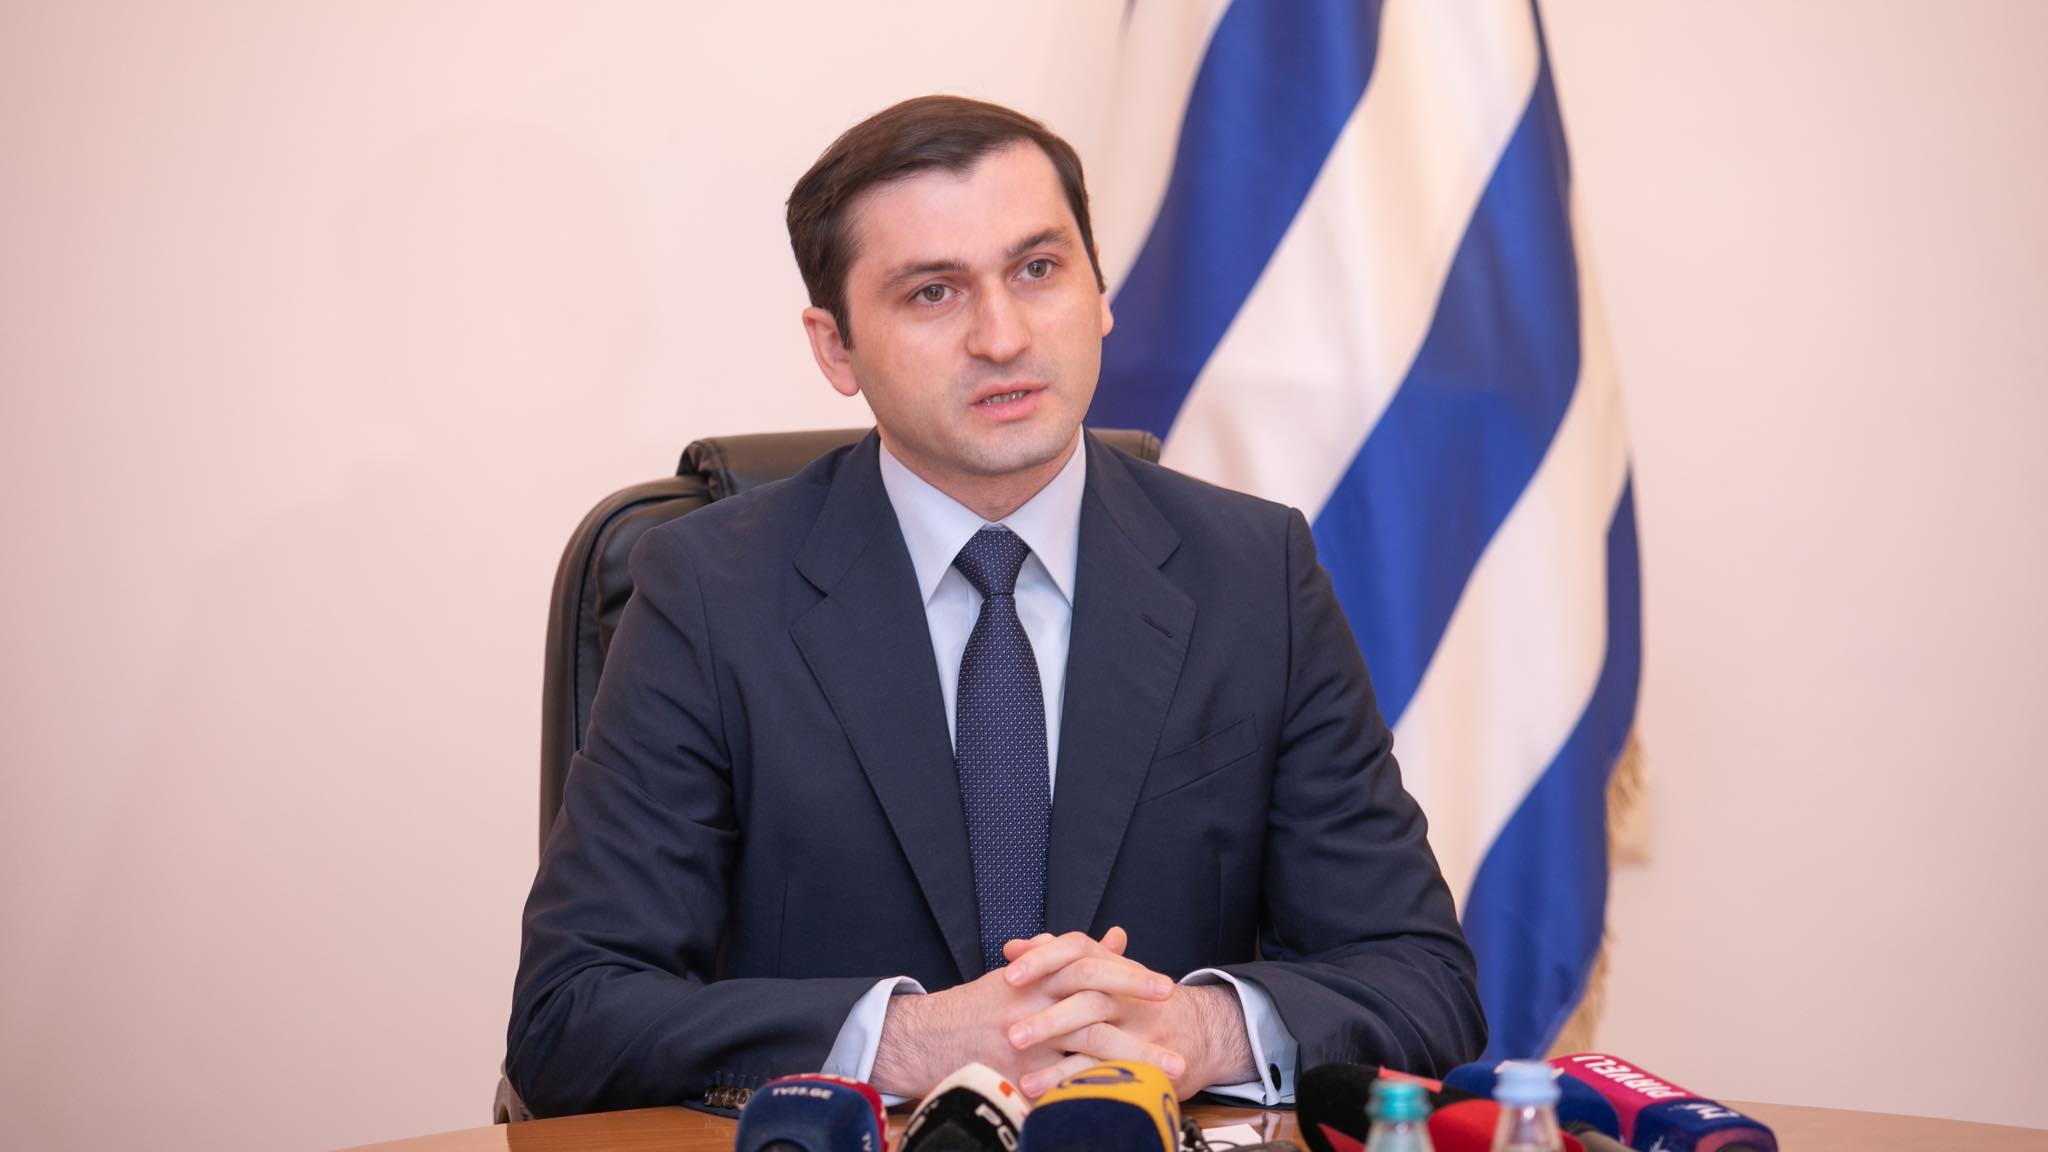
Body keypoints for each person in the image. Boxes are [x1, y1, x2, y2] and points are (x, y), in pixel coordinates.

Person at [506, 95, 1485, 1117]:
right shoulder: (709, 591)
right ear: (836, 348)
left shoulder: (1254, 575)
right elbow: (570, 1015)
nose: (1003, 336)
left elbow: (1423, 982)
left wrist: (1195, 1032)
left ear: (1099, 291)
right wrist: (903, 1040)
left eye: (1038, 269)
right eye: (932, 292)